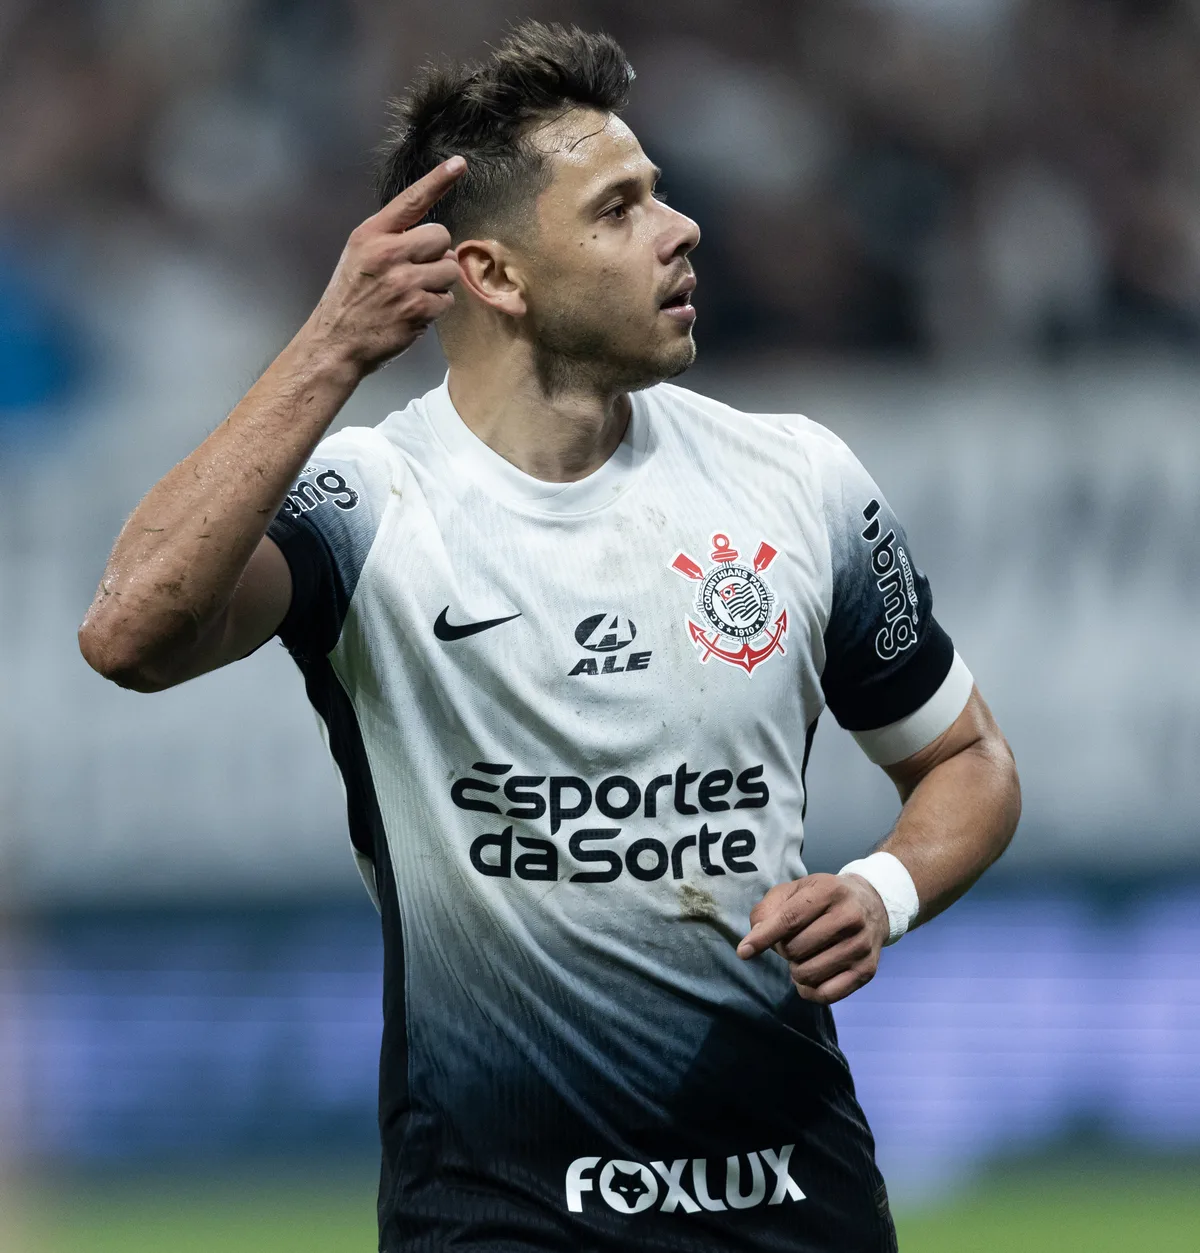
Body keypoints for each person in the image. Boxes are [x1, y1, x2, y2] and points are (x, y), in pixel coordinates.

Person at [79, 21, 1020, 1253]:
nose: (680, 228)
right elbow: (130, 633)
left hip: (793, 1203)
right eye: (620, 208)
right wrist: (327, 349)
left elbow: (969, 760)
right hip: (494, 1213)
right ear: (497, 275)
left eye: (661, 193)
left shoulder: (796, 478)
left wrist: (881, 888)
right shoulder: (367, 503)